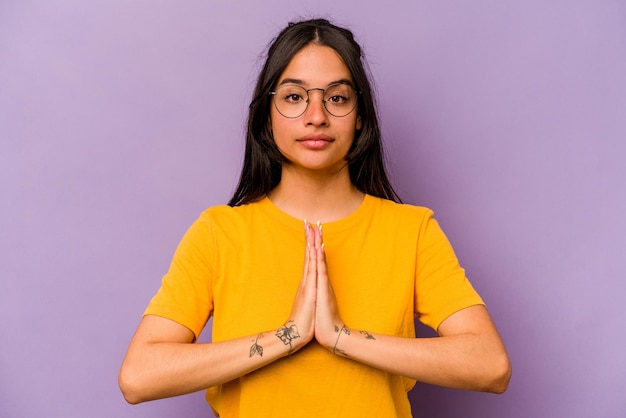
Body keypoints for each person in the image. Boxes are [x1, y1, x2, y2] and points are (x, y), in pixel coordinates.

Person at [119, 18, 511, 417]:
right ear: (267, 116)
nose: (316, 116)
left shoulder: (411, 231)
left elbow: (490, 365)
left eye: (337, 98)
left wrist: (341, 337)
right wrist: (287, 336)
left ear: (360, 115)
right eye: (294, 97)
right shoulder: (220, 233)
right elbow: (139, 376)